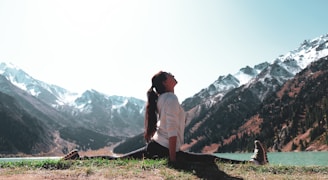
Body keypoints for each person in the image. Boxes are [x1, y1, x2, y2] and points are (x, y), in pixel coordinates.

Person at [63, 71, 268, 165]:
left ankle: (79, 159)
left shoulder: (164, 98)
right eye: (169, 74)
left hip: (158, 147)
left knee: (120, 160)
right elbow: (170, 129)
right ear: (165, 82)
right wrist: (172, 158)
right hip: (162, 149)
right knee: (207, 160)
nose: (173, 74)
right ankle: (255, 163)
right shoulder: (170, 98)